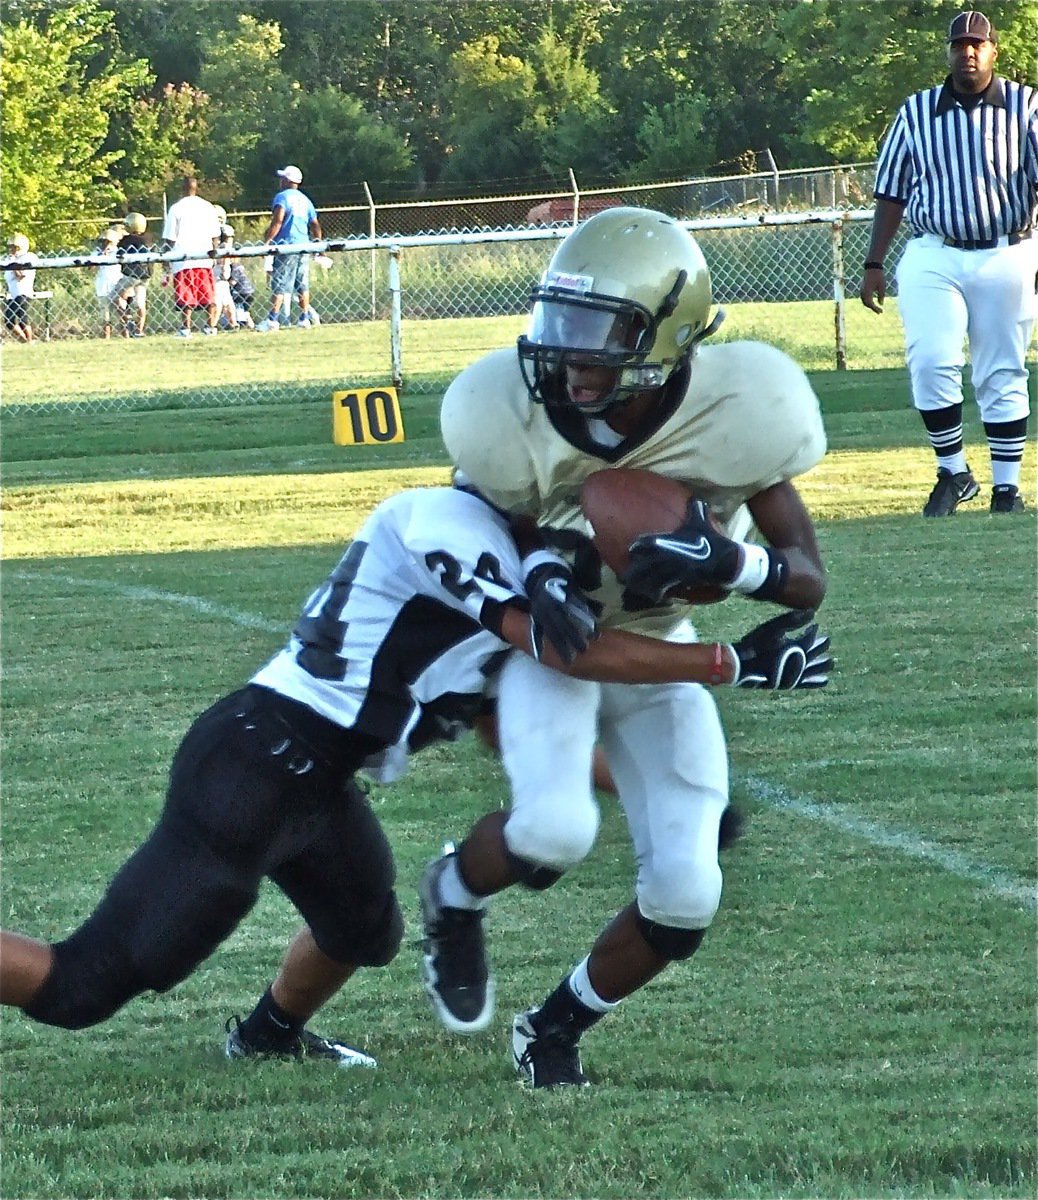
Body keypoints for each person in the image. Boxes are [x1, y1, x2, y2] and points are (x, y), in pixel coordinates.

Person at [0, 483, 829, 1067]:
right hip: (253, 768)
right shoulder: (446, 527)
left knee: (365, 932)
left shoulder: (526, 570)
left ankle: (265, 1038)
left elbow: (507, 729)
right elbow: (560, 644)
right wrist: (723, 662)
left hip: (317, 784)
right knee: (83, 988)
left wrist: (641, 795)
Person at [428, 206, 831, 1088]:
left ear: (673, 334)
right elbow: (474, 528)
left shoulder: (741, 409)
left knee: (689, 895)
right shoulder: (507, 413)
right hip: (551, 649)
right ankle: (451, 895)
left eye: (600, 332)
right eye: (561, 323)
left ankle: (552, 1028)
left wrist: (734, 562)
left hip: (656, 644)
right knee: (553, 828)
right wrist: (536, 575)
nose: (571, 356)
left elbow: (806, 579)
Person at [859, 10, 1038, 516]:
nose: (968, 52)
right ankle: (954, 471)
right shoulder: (916, 112)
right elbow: (891, 192)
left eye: (977, 44)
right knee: (932, 358)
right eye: (959, 44)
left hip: (1008, 247)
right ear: (948, 51)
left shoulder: (1026, 106)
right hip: (934, 250)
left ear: (993, 51)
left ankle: (1007, 488)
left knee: (1002, 369)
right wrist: (874, 261)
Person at [257, 166, 322, 332]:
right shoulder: (305, 200)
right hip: (304, 245)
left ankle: (273, 318)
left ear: (287, 180)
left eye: (282, 178)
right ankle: (304, 316)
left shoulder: (282, 197)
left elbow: (278, 221)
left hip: (286, 245)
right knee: (302, 283)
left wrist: (268, 240)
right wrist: (317, 244)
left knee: (279, 282)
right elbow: (315, 224)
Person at [161, 176, 221, 339]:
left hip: (183, 258)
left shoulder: (176, 208)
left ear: (182, 188)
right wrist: (214, 253)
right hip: (204, 255)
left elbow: (170, 238)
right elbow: (216, 235)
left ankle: (186, 329)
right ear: (197, 188)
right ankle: (210, 326)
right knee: (207, 292)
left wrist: (166, 258)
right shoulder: (208, 207)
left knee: (185, 294)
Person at [113, 212, 153, 338]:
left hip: (132, 274)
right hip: (146, 275)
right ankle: (139, 330)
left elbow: (118, 253)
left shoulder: (128, 240)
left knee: (116, 297)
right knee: (140, 303)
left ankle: (128, 320)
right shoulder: (149, 238)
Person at [4, 232, 38, 343]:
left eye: (15, 247)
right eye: (11, 247)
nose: (12, 250)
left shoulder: (29, 257)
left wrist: (13, 263)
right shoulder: (9, 259)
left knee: (23, 319)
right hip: (12, 294)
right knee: (9, 320)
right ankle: (25, 342)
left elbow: (20, 275)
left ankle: (28, 340)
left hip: (23, 293)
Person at [93, 228, 125, 340]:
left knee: (121, 311)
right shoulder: (96, 253)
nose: (105, 244)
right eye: (103, 241)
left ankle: (126, 334)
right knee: (105, 314)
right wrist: (100, 256)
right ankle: (107, 336)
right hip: (102, 286)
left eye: (108, 241)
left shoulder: (118, 251)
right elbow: (91, 269)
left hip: (116, 285)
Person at [214, 224, 240, 330]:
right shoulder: (224, 247)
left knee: (221, 301)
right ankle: (233, 322)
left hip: (220, 277)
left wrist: (225, 271)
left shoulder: (223, 247)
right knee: (225, 301)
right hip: (220, 276)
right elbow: (225, 261)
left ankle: (214, 324)